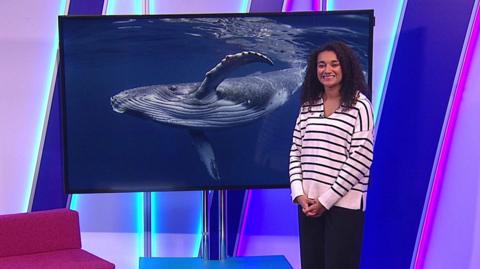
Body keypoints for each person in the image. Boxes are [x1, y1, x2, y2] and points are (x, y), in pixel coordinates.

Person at [289, 41, 374, 269]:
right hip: (309, 206)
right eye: (321, 65)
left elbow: (360, 160)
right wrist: (299, 194)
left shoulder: (360, 105)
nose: (327, 70)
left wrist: (326, 200)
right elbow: (295, 152)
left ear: (345, 67)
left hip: (344, 207)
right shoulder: (308, 105)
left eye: (334, 64)